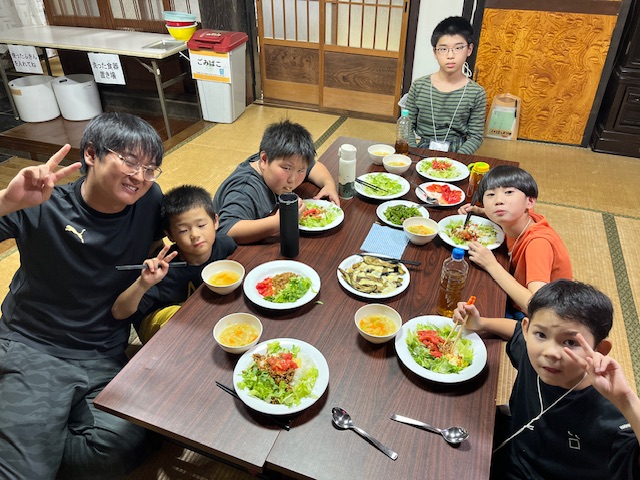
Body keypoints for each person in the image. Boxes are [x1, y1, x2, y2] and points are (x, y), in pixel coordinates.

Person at [0, 112, 166, 479]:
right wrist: (6, 203)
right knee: (24, 471)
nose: (139, 176)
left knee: (126, 443)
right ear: (91, 154)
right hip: (37, 345)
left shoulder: (149, 199)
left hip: (102, 350)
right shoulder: (40, 201)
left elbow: (178, 232)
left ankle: (36, 432)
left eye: (150, 168)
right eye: (129, 161)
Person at [453, 280, 640, 479]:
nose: (550, 352)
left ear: (600, 349)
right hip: (506, 451)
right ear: (528, 330)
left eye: (570, 342)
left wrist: (626, 400)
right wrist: (481, 323)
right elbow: (516, 330)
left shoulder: (612, 416)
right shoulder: (533, 354)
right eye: (541, 334)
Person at [112, 185, 236, 342]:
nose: (195, 235)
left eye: (201, 225)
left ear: (215, 221)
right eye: (183, 230)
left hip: (203, 317)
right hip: (161, 323)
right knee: (185, 317)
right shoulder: (163, 269)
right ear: (170, 235)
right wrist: (143, 283)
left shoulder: (225, 245)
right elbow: (119, 312)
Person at [458, 165, 572, 316]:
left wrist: (491, 265)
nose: (498, 201)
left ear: (530, 201)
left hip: (544, 315)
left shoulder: (538, 244)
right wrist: (481, 211)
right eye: (490, 194)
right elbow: (507, 209)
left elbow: (537, 307)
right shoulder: (521, 219)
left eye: (509, 192)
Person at [213, 119, 339, 244]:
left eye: (301, 170)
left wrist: (328, 184)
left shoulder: (277, 159)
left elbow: (314, 166)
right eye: (287, 168)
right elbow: (227, 229)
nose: (292, 179)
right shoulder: (245, 188)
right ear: (264, 159)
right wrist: (280, 221)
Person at [404, 16, 486, 154]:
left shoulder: (476, 93)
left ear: (469, 49)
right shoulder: (419, 86)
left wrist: (457, 160)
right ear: (435, 52)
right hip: (421, 150)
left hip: (458, 152)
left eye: (458, 48)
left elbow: (476, 136)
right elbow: (407, 126)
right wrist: (414, 152)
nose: (450, 55)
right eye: (443, 49)